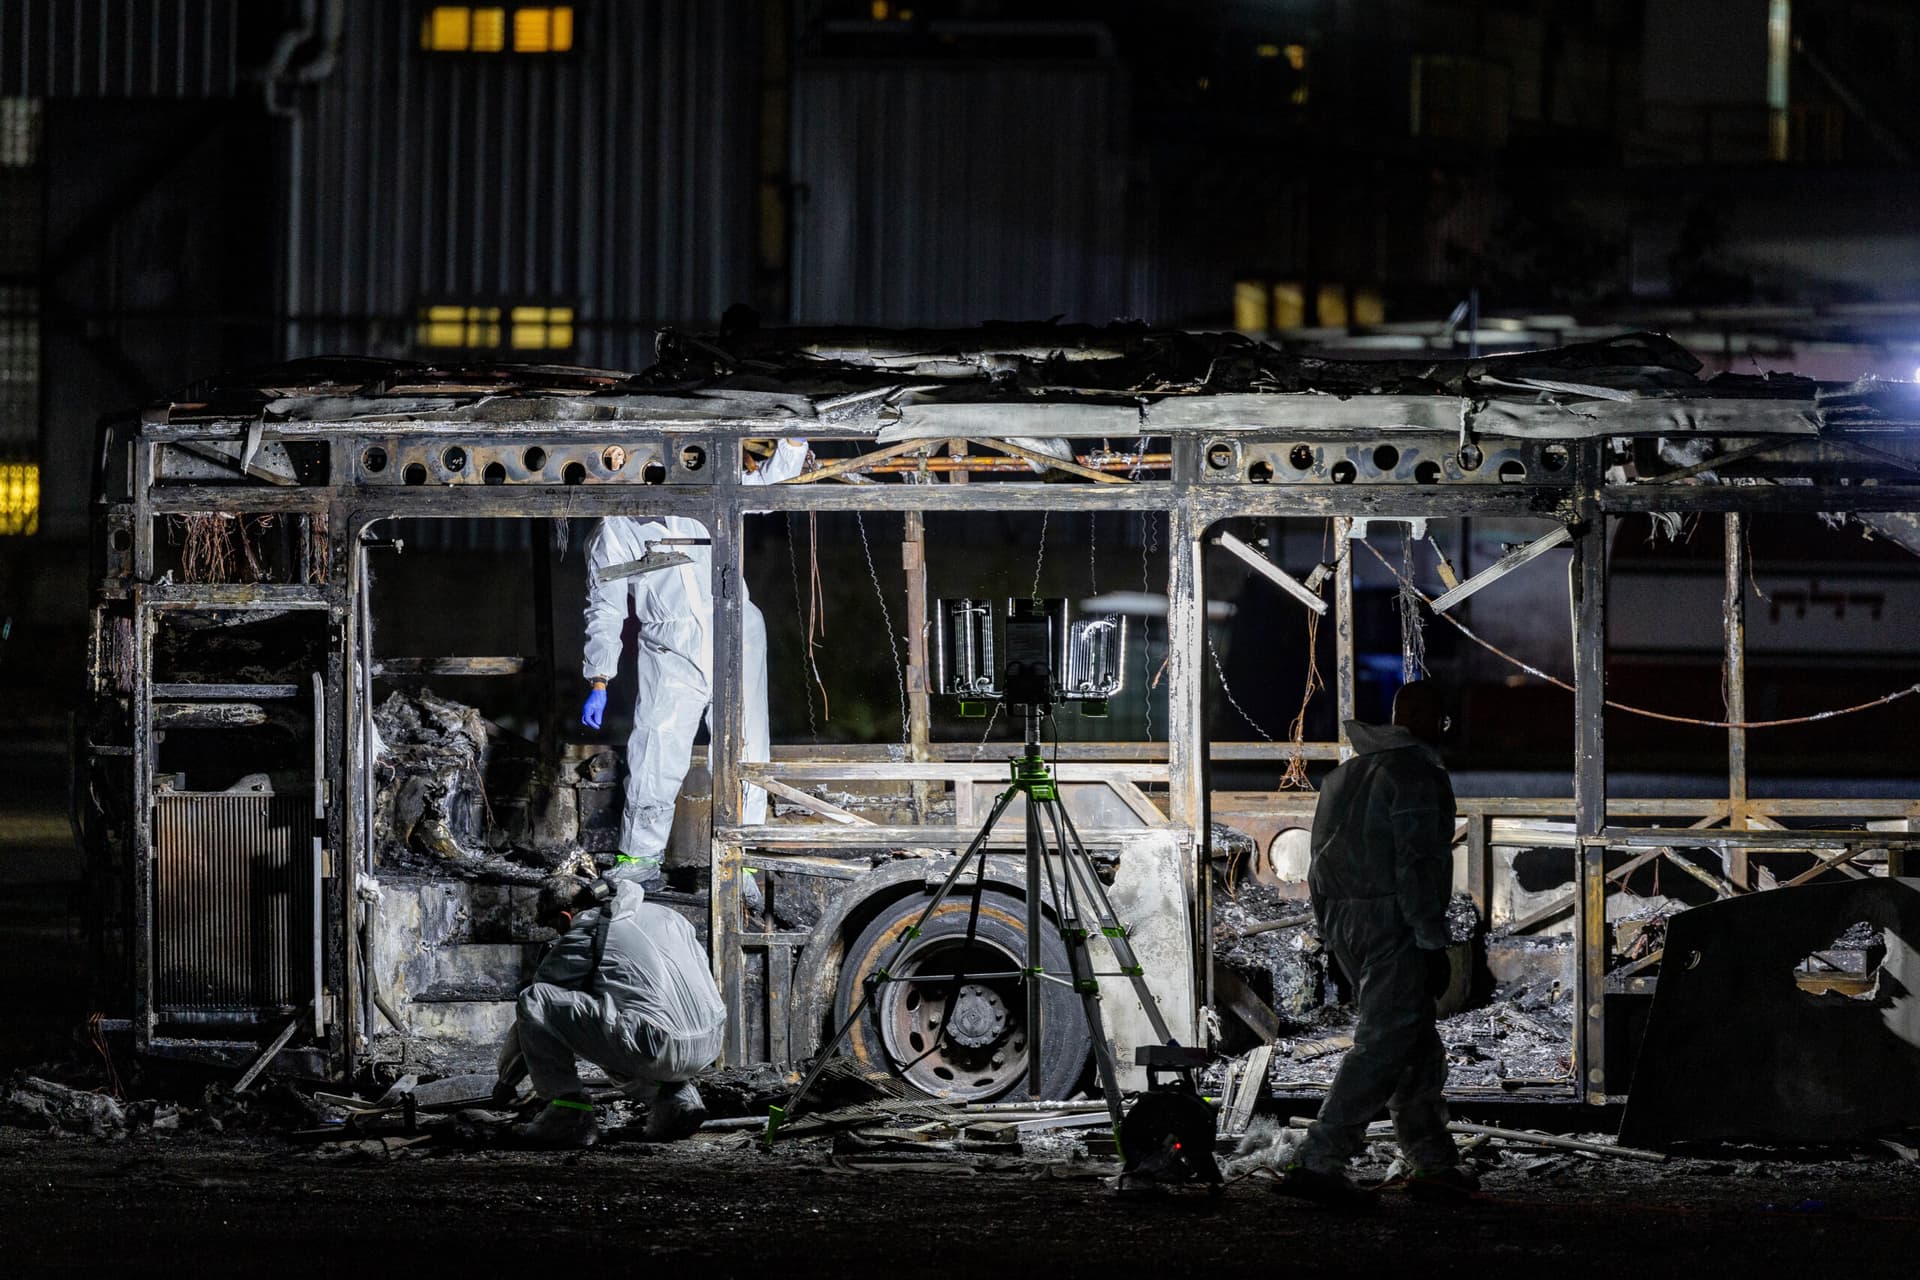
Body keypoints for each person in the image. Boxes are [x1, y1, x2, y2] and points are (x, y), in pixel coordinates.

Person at [1280, 679, 1476, 1204]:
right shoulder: (1418, 775)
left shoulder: (1345, 776)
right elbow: (1418, 864)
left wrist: (1331, 932)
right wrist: (1431, 941)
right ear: (1436, 720)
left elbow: (1318, 867)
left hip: (1348, 925)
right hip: (1396, 924)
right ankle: (1321, 1159)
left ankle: (1432, 1162)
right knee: (1384, 1046)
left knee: (1415, 1049)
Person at [580, 438, 809, 884]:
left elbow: (762, 489)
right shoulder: (616, 529)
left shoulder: (700, 490)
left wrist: (793, 444)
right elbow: (605, 607)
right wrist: (600, 676)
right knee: (654, 755)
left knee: (746, 752)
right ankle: (637, 866)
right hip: (669, 649)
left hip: (736, 631)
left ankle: (743, 866)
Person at [495, 874, 727, 1148]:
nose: (558, 935)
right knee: (618, 1019)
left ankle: (568, 1114)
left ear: (566, 916)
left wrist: (506, 1081)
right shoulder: (666, 915)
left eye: (555, 927)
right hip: (710, 1042)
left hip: (655, 1045)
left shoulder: (589, 928)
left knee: (538, 998)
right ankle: (677, 1098)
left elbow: (536, 1010)